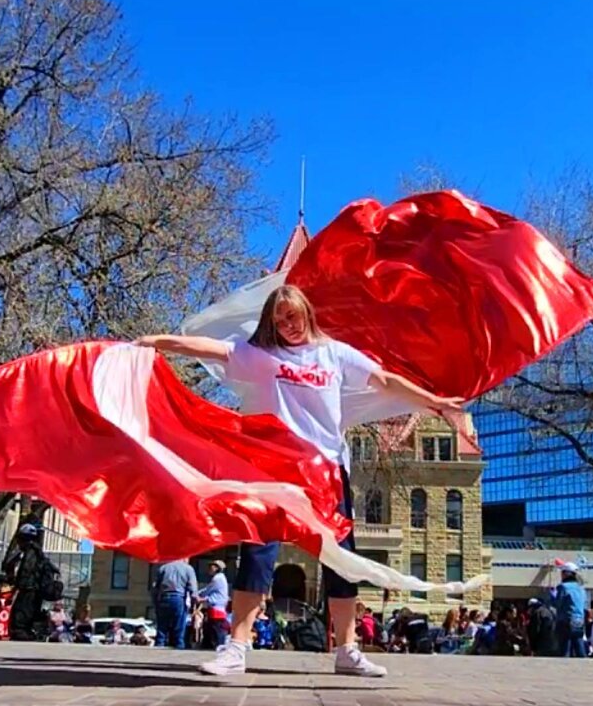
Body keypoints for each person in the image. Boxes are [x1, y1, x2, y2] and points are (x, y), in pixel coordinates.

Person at [136, 284, 466, 677]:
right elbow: (212, 349)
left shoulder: (335, 354)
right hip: (272, 470)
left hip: (325, 469)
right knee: (258, 554)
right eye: (278, 320)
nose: (287, 325)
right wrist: (156, 341)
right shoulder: (261, 356)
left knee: (341, 559)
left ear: (307, 312)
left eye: (292, 316)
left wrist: (436, 402)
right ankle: (237, 647)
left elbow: (384, 379)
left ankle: (347, 649)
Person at [7, 524, 59, 641]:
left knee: (20, 618)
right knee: (27, 616)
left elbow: (26, 572)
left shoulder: (30, 553)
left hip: (29, 590)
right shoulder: (37, 552)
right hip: (34, 591)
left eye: (20, 539)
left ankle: (23, 635)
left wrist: (16, 586)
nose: (18, 543)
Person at [151, 558, 197, 649]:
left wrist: (156, 602)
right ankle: (178, 648)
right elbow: (193, 589)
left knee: (162, 627)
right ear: (184, 558)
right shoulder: (188, 569)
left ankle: (159, 647)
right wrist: (193, 604)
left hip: (164, 598)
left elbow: (154, 587)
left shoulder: (163, 568)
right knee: (179, 627)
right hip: (178, 598)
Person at [550, 562, 588, 658]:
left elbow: (558, 604)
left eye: (562, 572)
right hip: (579, 619)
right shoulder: (581, 588)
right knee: (579, 644)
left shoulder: (563, 587)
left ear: (567, 574)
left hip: (566, 619)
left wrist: (552, 595)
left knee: (565, 646)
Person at [197, 559, 230, 649]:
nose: (209, 568)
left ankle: (218, 645)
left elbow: (208, 590)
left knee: (216, 628)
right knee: (210, 627)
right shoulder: (220, 578)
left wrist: (198, 596)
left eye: (212, 566)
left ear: (217, 568)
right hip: (216, 606)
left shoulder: (217, 578)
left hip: (216, 607)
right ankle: (209, 644)